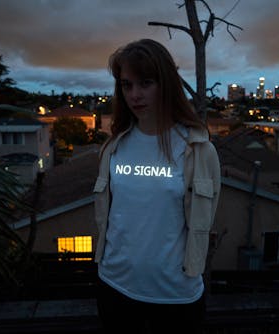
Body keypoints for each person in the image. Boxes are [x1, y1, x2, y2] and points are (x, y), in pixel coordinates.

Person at [93, 39, 221, 333]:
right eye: (127, 85)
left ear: (166, 84)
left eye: (145, 83)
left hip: (176, 296)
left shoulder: (198, 150)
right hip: (114, 288)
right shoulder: (113, 148)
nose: (135, 95)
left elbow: (204, 219)